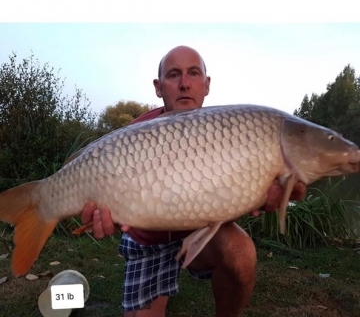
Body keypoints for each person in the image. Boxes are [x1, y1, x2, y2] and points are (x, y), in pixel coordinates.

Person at [81, 46, 306, 317]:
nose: (185, 84)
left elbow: (288, 187)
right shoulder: (133, 138)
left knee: (241, 252)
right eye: (174, 75)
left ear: (206, 84)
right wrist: (104, 214)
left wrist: (284, 190)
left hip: (199, 232)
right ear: (158, 87)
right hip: (148, 240)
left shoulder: (232, 130)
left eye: (194, 73)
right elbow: (110, 201)